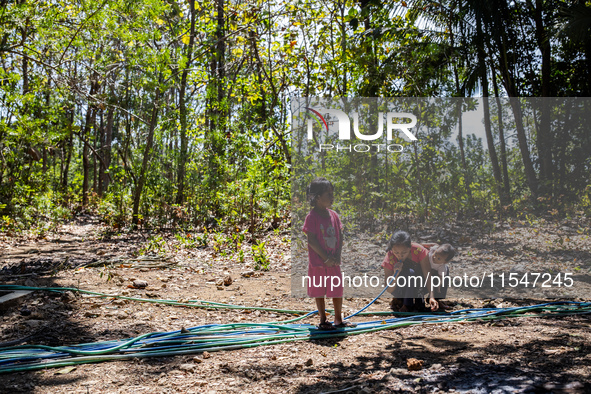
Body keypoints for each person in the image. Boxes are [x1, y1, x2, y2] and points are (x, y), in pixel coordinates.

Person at [303, 177, 356, 330]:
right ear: (318, 197)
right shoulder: (311, 217)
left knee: (337, 289)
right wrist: (325, 258)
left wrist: (337, 255)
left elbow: (340, 236)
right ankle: (323, 320)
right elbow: (312, 240)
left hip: (333, 262)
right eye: (328, 194)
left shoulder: (333, 215)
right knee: (319, 290)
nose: (332, 197)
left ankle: (339, 319)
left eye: (332, 193)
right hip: (319, 263)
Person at [382, 231, 439, 312]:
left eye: (404, 252)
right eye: (396, 252)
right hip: (400, 289)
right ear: (392, 249)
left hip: (419, 286)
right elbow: (389, 289)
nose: (400, 256)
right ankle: (407, 304)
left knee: (441, 270)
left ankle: (432, 301)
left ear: (410, 247)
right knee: (410, 272)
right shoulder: (389, 257)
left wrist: (432, 296)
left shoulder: (419, 250)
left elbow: (427, 274)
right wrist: (396, 273)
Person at [426, 243, 455, 310]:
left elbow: (440, 278)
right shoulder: (433, 249)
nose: (435, 257)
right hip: (423, 271)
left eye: (438, 258)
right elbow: (426, 246)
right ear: (436, 250)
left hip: (433, 276)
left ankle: (437, 298)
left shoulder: (442, 267)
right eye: (435, 254)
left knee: (440, 283)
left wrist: (438, 287)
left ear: (445, 262)